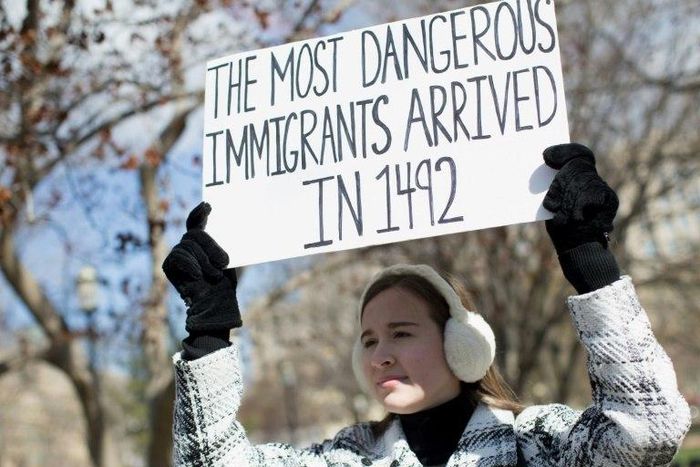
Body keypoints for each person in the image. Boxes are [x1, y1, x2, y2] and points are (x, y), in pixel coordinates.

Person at [164, 144, 691, 466]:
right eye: (369, 340)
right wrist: (209, 335)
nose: (379, 354)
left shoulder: (537, 442)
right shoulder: (346, 458)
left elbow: (646, 427)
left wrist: (591, 266)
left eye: (401, 332)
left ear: (461, 343)